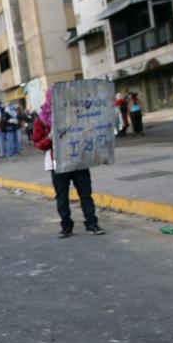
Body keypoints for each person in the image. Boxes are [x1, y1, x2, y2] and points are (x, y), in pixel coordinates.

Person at [32, 88, 105, 239]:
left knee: (86, 194)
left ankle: (91, 222)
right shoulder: (42, 120)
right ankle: (66, 226)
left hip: (78, 160)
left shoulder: (76, 113)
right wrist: (50, 137)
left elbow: (89, 129)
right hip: (58, 163)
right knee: (62, 197)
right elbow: (38, 143)